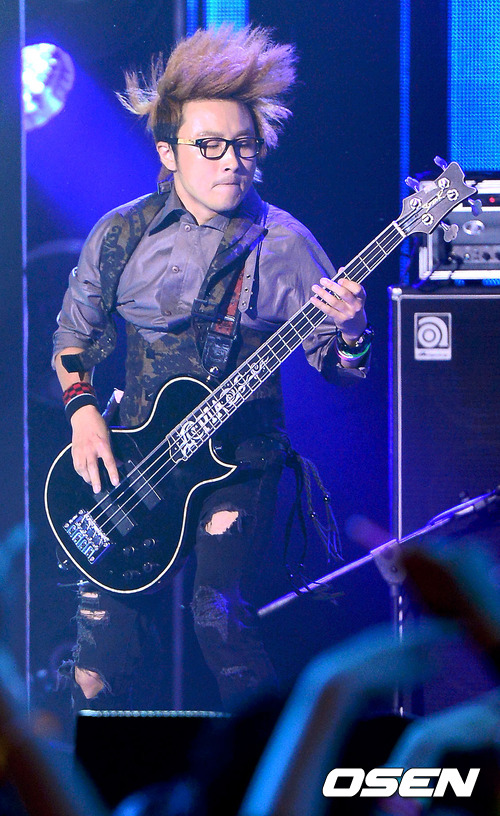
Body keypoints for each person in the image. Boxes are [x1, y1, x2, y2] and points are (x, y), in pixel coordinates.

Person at [53, 25, 371, 713]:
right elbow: (73, 339)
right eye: (210, 146)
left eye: (244, 146)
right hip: (136, 461)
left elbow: (342, 372)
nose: (232, 162)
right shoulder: (121, 234)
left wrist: (351, 333)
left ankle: (262, 761)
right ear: (168, 153)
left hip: (238, 463)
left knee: (216, 615)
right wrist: (83, 414)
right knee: (97, 651)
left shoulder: (284, 244)